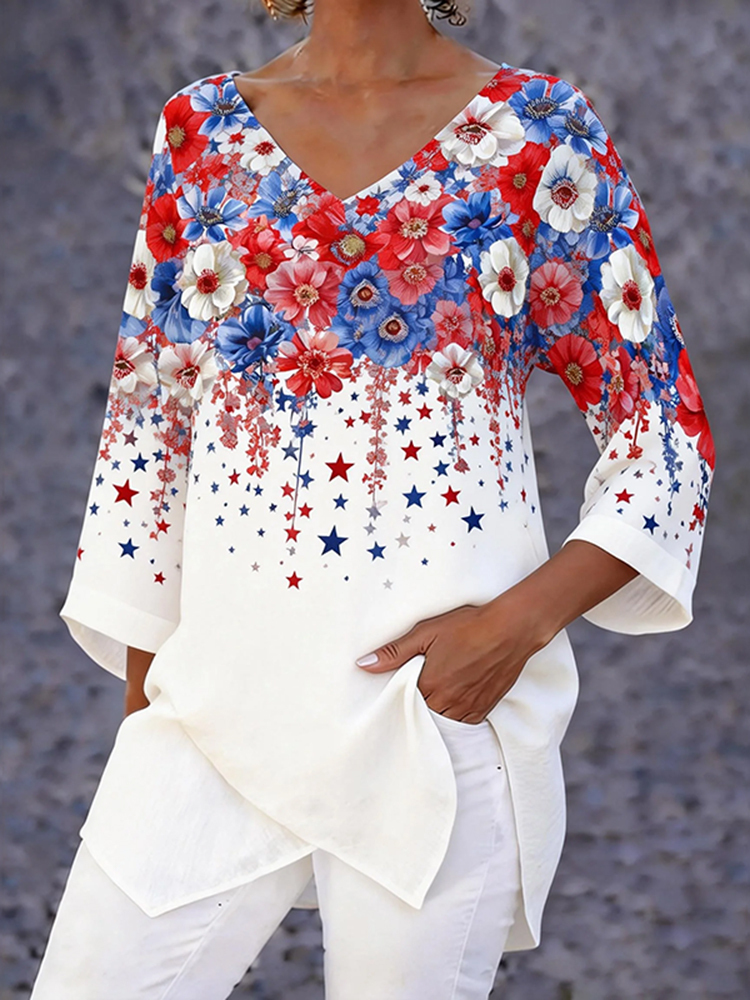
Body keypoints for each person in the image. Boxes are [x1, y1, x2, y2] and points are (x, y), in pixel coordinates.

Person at [29, 0, 716, 996]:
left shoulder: (537, 135)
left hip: (430, 725)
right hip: (214, 713)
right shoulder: (202, 132)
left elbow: (663, 427)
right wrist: (147, 732)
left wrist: (513, 629)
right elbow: (151, 432)